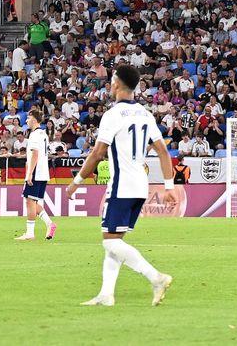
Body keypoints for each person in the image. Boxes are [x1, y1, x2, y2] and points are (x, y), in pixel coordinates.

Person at [65, 62, 175, 308]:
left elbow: (97, 153)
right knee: (114, 241)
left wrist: (76, 181)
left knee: (110, 242)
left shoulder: (112, 115)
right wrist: (168, 186)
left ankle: (155, 277)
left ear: (116, 84)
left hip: (121, 185)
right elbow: (163, 152)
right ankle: (106, 294)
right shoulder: (145, 114)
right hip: (140, 185)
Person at [15, 108, 58, 242]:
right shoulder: (43, 134)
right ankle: (50, 224)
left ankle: (30, 233)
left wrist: (29, 174)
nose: (26, 121)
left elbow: (35, 154)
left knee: (29, 201)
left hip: (35, 172)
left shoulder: (34, 135)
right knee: (32, 201)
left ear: (33, 118)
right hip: (43, 172)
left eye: (28, 118)